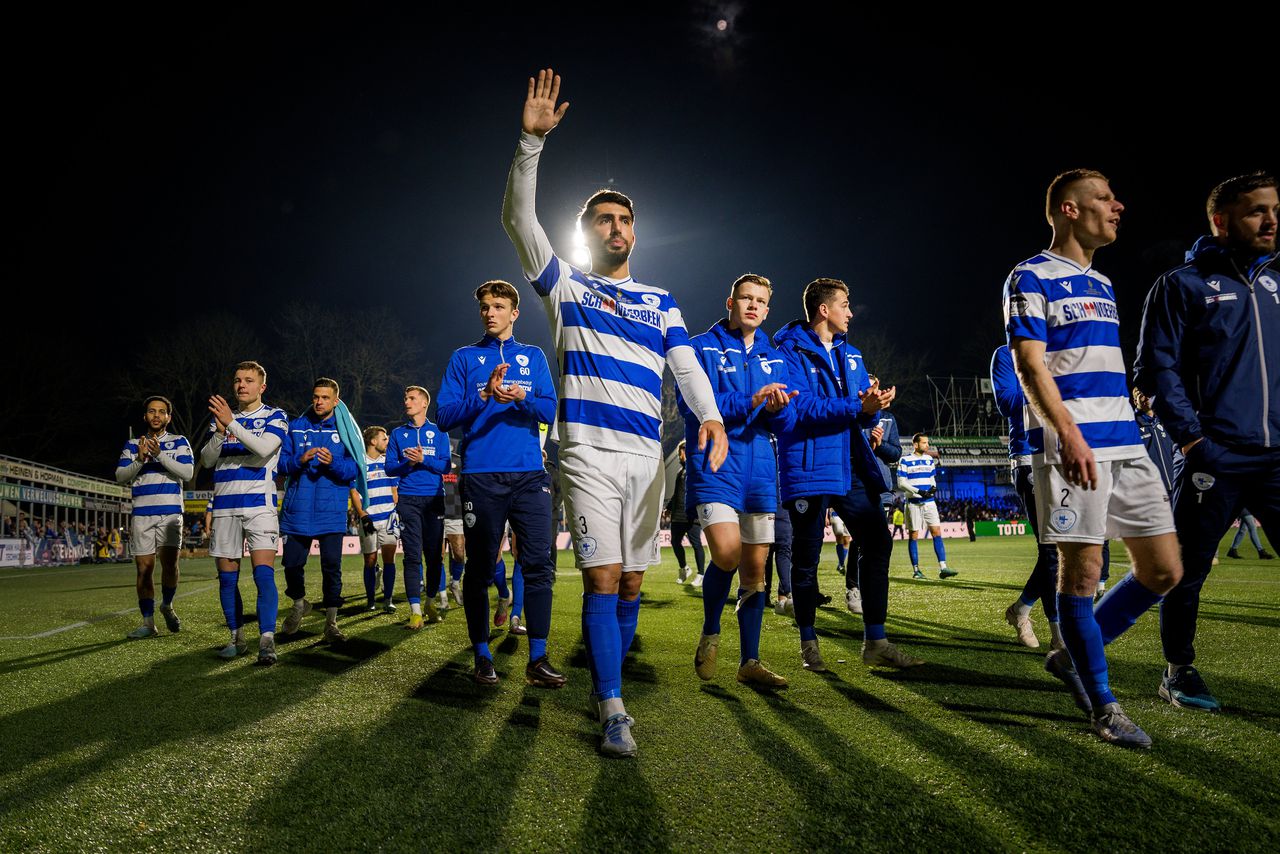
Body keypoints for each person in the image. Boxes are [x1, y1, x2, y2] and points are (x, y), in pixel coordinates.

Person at [502, 68, 727, 758]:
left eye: (626, 219)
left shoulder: (661, 300)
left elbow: (684, 363)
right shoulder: (564, 285)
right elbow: (517, 218)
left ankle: (609, 668)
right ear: (585, 232)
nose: (618, 226)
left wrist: (710, 416)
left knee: (631, 580)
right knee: (602, 577)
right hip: (588, 453)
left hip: (645, 457)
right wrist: (530, 145)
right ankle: (611, 707)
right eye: (604, 218)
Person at [1005, 168, 1182, 747]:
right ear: (1069, 209)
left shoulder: (1103, 283)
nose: (1118, 205)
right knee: (1082, 575)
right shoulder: (1030, 276)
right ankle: (1104, 708)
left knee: (1163, 570)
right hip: (1071, 449)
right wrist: (1070, 436)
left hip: (1127, 444)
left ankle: (1074, 654)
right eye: (1105, 197)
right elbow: (1031, 365)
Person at [1135, 171, 1279, 712]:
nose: (1270, 221)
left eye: (1274, 209)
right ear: (1221, 221)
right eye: (1256, 211)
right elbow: (1156, 370)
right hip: (1213, 457)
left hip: (1276, 459)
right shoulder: (1181, 286)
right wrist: (1194, 442)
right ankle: (1179, 670)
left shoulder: (1275, 284)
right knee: (1188, 571)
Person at [774, 278, 920, 672]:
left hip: (850, 463)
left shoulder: (851, 354)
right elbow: (801, 409)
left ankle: (876, 640)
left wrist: (873, 405)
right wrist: (857, 405)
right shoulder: (786, 352)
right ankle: (808, 643)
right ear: (824, 309)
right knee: (805, 561)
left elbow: (860, 410)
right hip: (809, 464)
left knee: (877, 542)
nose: (851, 312)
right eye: (845, 305)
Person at [436, 278, 564, 688]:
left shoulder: (534, 356)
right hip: (480, 477)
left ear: (514, 312)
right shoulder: (464, 357)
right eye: (484, 307)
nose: (490, 313)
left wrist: (520, 398)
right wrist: (486, 397)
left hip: (529, 475)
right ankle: (482, 655)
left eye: (497, 306)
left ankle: (539, 658)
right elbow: (444, 416)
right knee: (479, 567)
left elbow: (549, 407)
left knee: (539, 564)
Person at [683, 273, 796, 688]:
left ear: (767, 309)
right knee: (727, 554)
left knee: (755, 572)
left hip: (761, 470)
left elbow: (787, 421)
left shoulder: (777, 355)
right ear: (728, 301)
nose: (753, 305)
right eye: (745, 298)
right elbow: (690, 402)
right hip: (715, 463)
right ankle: (711, 632)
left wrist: (778, 407)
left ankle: (750, 662)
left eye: (761, 301)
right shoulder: (699, 347)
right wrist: (750, 399)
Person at [200, 360, 287, 665]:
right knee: (227, 580)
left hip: (259, 507)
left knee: (263, 575)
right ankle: (237, 639)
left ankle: (266, 641)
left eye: (249, 380)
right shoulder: (223, 420)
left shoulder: (275, 416)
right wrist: (222, 431)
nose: (241, 385)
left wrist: (231, 424)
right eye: (237, 380)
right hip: (224, 507)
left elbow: (264, 449)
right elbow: (208, 460)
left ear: (262, 386)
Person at [278, 378, 361, 642]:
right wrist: (300, 460)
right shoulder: (297, 426)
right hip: (298, 510)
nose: (319, 401)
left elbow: (353, 470)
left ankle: (331, 624)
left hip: (331, 511)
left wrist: (333, 463)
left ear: (336, 401)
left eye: (325, 398)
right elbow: (280, 465)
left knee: (331, 568)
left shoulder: (345, 430)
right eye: (316, 396)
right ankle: (299, 603)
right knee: (291, 564)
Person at [991, 344, 1062, 650]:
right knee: (1051, 549)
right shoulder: (1006, 354)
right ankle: (1059, 633)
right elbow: (1007, 401)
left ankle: (1021, 609)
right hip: (1030, 457)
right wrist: (1052, 385)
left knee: (1066, 549)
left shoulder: (1065, 347)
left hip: (1068, 454)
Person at [115, 396, 194, 639]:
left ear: (169, 417)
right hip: (142, 513)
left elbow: (188, 473)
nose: (157, 415)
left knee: (170, 565)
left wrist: (159, 455)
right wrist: (140, 458)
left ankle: (167, 605)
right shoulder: (132, 444)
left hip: (170, 512)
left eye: (161, 412)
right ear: (145, 416)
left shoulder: (179, 442)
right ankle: (148, 623)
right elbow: (120, 476)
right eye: (152, 411)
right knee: (144, 569)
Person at [385, 386, 450, 630]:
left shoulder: (439, 431)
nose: (407, 401)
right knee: (412, 555)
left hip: (434, 500)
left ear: (424, 404)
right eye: (405, 398)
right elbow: (390, 469)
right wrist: (408, 463)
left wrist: (424, 460)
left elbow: (446, 466)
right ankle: (415, 611)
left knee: (434, 557)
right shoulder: (398, 434)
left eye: (412, 398)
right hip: (408, 499)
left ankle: (430, 602)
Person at [845, 396, 901, 614]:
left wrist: (879, 446)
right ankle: (853, 587)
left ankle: (870, 595)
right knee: (859, 539)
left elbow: (896, 453)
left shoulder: (888, 419)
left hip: (880, 486)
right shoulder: (853, 415)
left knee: (876, 541)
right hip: (856, 483)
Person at [352, 426, 401, 611]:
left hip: (389, 519)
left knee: (390, 559)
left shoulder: (389, 462)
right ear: (373, 441)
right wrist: (363, 515)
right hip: (369, 519)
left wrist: (395, 512)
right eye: (384, 438)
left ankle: (388, 600)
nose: (387, 441)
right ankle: (371, 601)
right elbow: (354, 492)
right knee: (370, 561)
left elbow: (395, 491)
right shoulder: (360, 463)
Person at [898, 433, 957, 579]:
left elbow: (932, 479)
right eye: (924, 443)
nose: (927, 445)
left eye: (927, 442)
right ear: (916, 444)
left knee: (937, 532)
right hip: (913, 503)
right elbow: (901, 483)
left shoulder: (929, 459)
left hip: (929, 503)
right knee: (914, 535)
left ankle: (943, 568)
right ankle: (916, 570)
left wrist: (932, 488)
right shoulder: (905, 460)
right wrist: (919, 492)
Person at [664, 442, 706, 585]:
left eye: (685, 451)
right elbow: (677, 494)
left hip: (691, 514)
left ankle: (701, 574)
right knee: (675, 542)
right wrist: (668, 508)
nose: (682, 455)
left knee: (696, 544)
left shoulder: (695, 470)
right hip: (678, 514)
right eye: (680, 452)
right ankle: (684, 568)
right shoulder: (679, 471)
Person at [1132, 386, 1182, 497]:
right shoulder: (1132, 426)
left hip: (1174, 488)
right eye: (1142, 394)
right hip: (1151, 491)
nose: (1147, 397)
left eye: (1149, 394)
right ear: (1135, 401)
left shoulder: (1167, 422)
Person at [441, 451, 466, 606]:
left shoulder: (459, 461)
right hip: (435, 512)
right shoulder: (428, 459)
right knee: (438, 557)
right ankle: (442, 596)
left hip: (455, 513)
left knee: (459, 554)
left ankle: (455, 583)